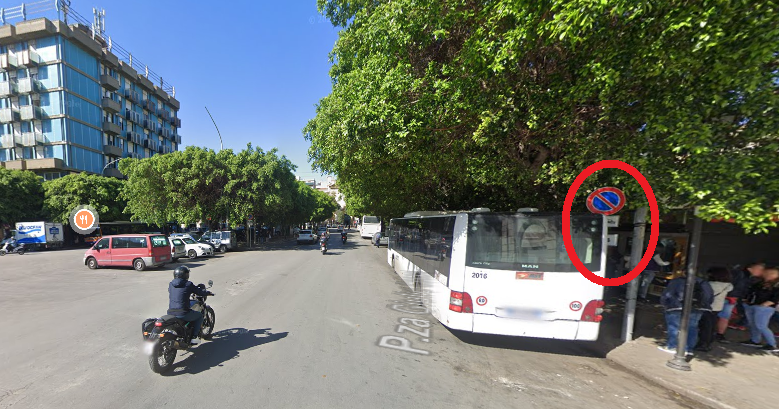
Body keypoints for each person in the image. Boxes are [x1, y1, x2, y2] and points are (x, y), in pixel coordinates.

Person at [659, 272, 714, 355]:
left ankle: (672, 346)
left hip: (677, 306)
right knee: (692, 328)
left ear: (684, 272)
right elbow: (709, 296)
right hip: (698, 308)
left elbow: (667, 294)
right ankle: (688, 348)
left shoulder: (677, 281)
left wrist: (664, 304)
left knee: (674, 327)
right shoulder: (704, 282)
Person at [717, 262, 764, 338]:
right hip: (728, 298)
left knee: (724, 317)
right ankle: (717, 334)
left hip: (731, 298)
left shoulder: (748, 277)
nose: (761, 271)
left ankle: (719, 334)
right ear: (750, 268)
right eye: (759, 269)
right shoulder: (740, 274)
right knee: (722, 316)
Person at [167, 266, 212, 345]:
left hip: (170, 312)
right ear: (186, 275)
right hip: (183, 313)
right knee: (199, 316)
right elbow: (199, 292)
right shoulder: (188, 284)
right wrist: (208, 293)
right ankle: (194, 337)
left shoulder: (171, 284)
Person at [740, 267, 779, 351]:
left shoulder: (776, 285)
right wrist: (746, 300)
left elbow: (775, 298)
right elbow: (751, 291)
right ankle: (755, 340)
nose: (769, 274)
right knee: (753, 324)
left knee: (761, 326)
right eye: (767, 272)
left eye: (772, 273)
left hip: (764, 308)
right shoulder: (760, 282)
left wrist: (764, 304)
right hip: (752, 305)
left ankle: (772, 344)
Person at [695, 267, 732, 351]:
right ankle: (709, 342)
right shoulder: (728, 285)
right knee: (711, 325)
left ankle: (703, 344)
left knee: (705, 326)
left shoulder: (709, 284)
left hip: (707, 307)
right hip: (718, 307)